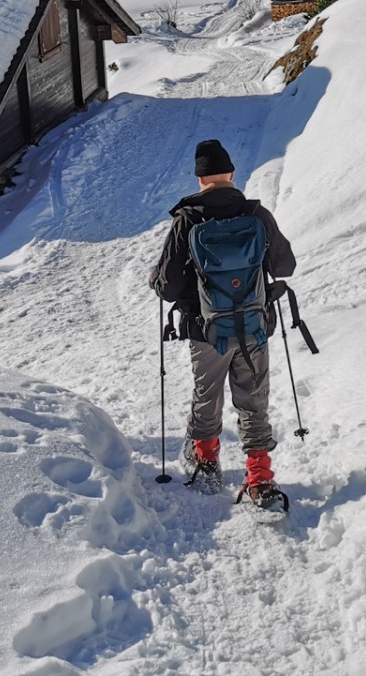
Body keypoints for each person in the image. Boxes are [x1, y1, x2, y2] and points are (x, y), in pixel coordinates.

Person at [152, 138, 297, 508]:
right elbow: (285, 267)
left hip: (206, 332)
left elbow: (168, 287)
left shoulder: (189, 219)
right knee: (253, 402)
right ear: (231, 174)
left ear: (200, 179)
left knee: (207, 397)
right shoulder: (256, 215)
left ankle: (206, 461)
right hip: (253, 327)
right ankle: (260, 479)